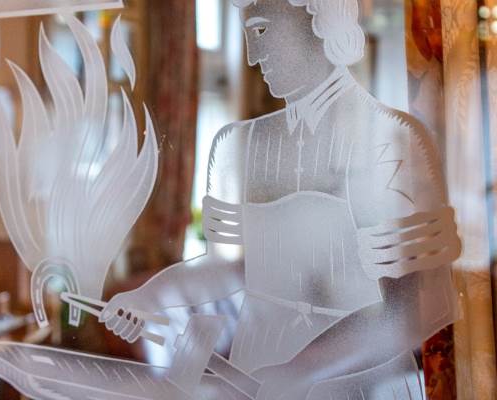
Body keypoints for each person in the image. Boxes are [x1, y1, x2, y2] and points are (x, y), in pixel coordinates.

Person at [100, 0, 461, 398]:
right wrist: (144, 298)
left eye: (261, 32)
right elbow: (214, 262)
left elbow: (429, 307)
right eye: (247, 38)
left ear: (318, 30)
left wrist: (306, 368)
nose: (253, 57)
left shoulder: (397, 140)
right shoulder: (237, 142)